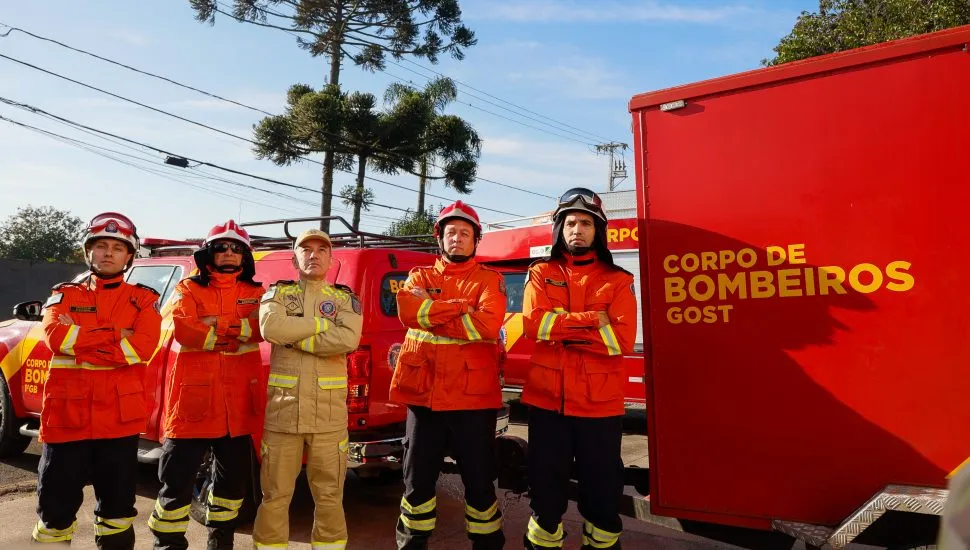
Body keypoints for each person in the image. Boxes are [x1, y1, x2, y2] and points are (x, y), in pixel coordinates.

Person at [33, 212, 162, 549]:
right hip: (66, 421)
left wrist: (81, 338)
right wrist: (117, 334)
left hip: (118, 424)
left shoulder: (144, 300)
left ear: (129, 255)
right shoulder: (64, 294)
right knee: (54, 516)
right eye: (101, 245)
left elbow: (141, 348)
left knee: (117, 515)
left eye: (117, 248)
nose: (108, 253)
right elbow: (56, 338)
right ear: (88, 251)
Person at [520, 188, 638, 550]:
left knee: (603, 496)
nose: (577, 230)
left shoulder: (619, 280)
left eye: (586, 223)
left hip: (599, 407)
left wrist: (560, 327)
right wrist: (593, 320)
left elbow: (621, 340)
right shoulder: (540, 272)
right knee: (544, 493)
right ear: (560, 229)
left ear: (597, 231)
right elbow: (534, 326)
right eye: (570, 222)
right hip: (547, 404)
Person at [390, 201, 508, 550]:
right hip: (423, 398)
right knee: (417, 485)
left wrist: (432, 308)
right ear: (439, 237)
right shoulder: (418, 276)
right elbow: (409, 314)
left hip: (473, 400)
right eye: (451, 232)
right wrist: (462, 308)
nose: (457, 238)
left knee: (480, 485)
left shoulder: (491, 280)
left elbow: (487, 325)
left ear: (476, 240)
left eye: (465, 233)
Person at [148, 220, 265, 550]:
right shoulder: (187, 288)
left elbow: (263, 329)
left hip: (236, 410)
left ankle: (220, 545)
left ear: (245, 256)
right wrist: (238, 328)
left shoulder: (257, 293)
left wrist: (213, 324)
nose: (229, 253)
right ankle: (167, 546)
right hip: (192, 409)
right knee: (175, 487)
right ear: (208, 253)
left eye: (236, 248)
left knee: (231, 492)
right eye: (221, 247)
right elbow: (186, 329)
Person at [252, 229, 363, 550]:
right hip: (283, 417)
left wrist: (294, 337)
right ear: (294, 258)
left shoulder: (345, 299)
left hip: (329, 420)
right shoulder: (277, 294)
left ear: (331, 259)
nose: (314, 255)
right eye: (306, 249)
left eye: (321, 250)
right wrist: (322, 325)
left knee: (330, 498)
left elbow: (347, 339)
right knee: (274, 497)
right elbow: (271, 328)